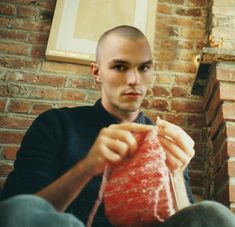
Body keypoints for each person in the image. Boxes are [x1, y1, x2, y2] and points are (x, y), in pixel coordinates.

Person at [0, 25, 234, 227]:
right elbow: (17, 212)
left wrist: (175, 172)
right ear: (97, 72)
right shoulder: (55, 125)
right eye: (120, 67)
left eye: (144, 68)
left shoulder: (165, 142)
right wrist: (87, 167)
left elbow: (189, 220)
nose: (134, 79)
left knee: (213, 215)